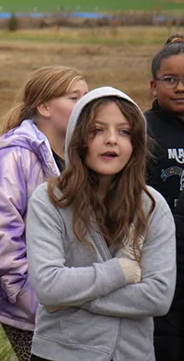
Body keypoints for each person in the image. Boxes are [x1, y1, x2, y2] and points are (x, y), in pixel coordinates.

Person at [26, 87, 176, 361]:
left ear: (137, 143)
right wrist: (121, 271)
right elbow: (48, 286)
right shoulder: (48, 201)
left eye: (124, 132)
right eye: (97, 130)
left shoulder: (152, 206)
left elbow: (158, 297)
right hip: (60, 354)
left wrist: (71, 296)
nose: (111, 140)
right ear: (78, 138)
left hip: (132, 354)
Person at [0, 66, 88, 361]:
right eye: (74, 97)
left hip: (70, 297)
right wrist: (29, 298)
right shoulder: (14, 154)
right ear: (44, 107)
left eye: (87, 97)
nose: (85, 105)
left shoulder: (81, 154)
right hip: (33, 307)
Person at [144, 36, 184, 359]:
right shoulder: (141, 131)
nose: (180, 87)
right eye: (171, 80)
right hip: (160, 261)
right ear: (154, 86)